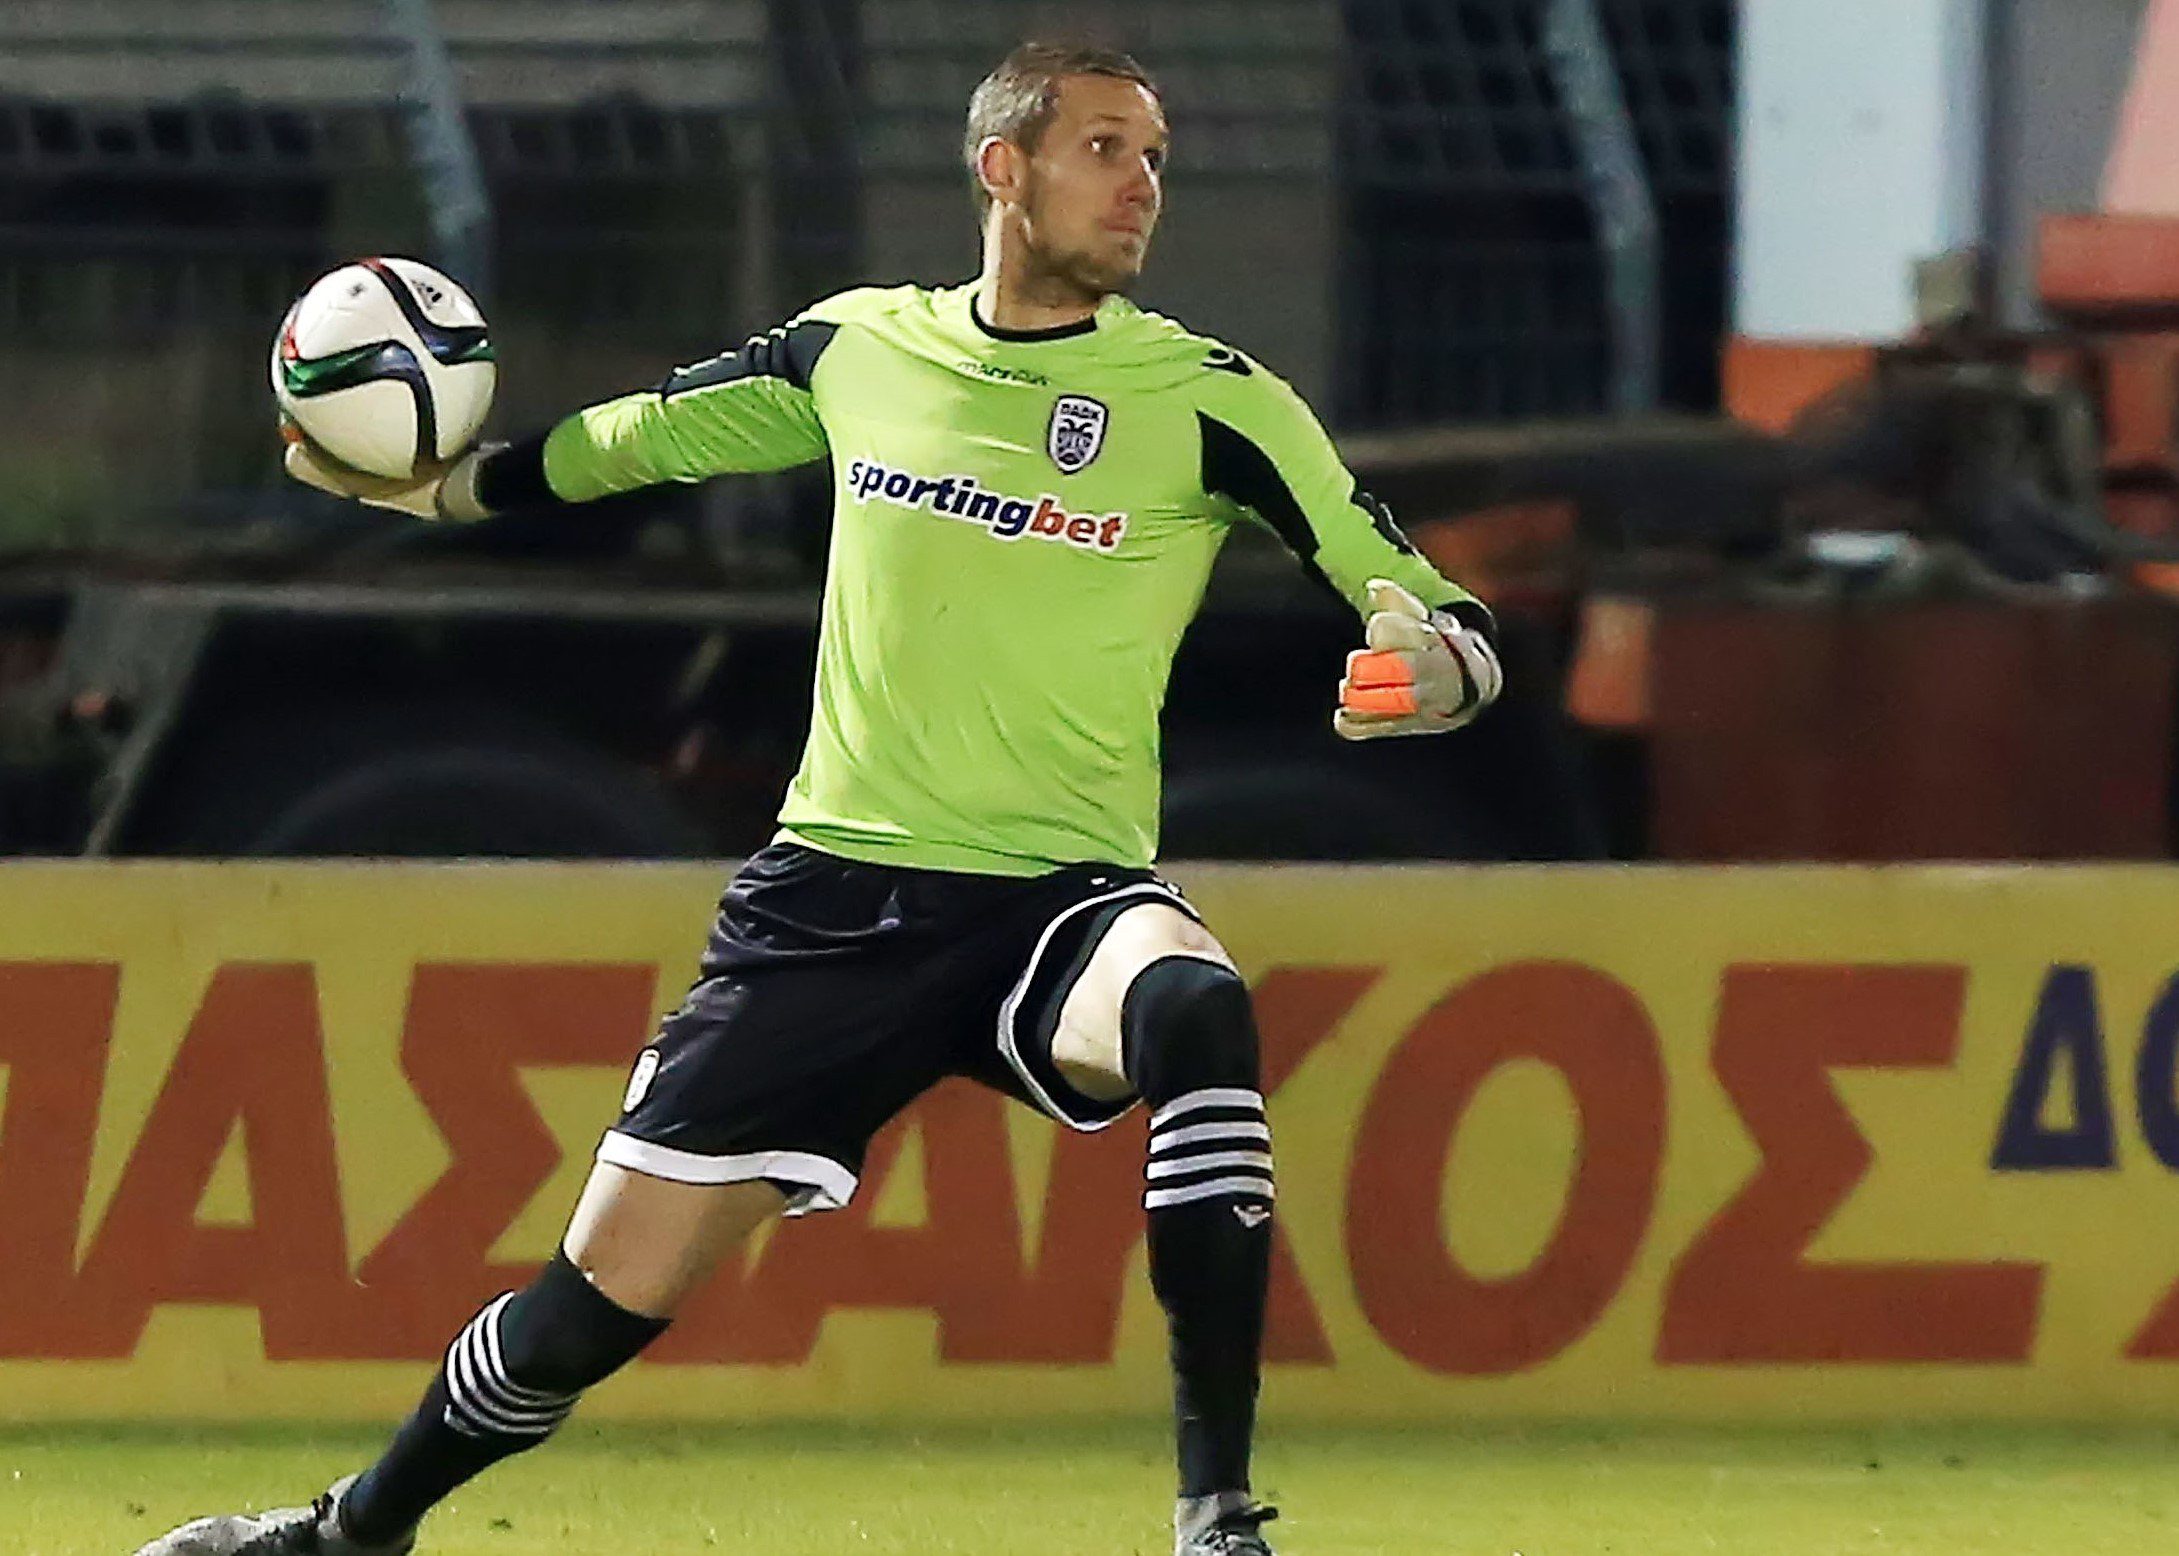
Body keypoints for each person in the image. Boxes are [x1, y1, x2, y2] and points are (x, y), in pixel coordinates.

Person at [138, 39, 1501, 1556]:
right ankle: (350, 1532)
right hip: (831, 904)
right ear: (1003, 169)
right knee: (589, 1306)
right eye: (1106, 149)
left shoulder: (1211, 400)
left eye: (1155, 158)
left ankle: (1217, 1520)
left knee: (1194, 1007)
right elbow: (638, 438)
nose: (1143, 189)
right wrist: (448, 489)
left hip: (1058, 899)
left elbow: (1416, 591)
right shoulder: (856, 350)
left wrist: (1441, 666)